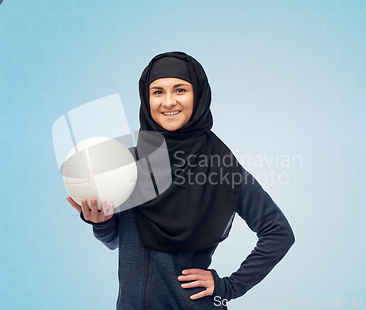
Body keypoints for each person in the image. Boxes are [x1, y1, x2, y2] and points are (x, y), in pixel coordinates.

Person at [66, 51, 295, 309]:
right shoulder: (127, 164)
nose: (168, 102)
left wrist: (228, 287)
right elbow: (118, 240)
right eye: (158, 92)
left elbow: (279, 233)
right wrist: (102, 222)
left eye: (180, 90)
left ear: (197, 95)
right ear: (146, 99)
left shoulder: (222, 168)